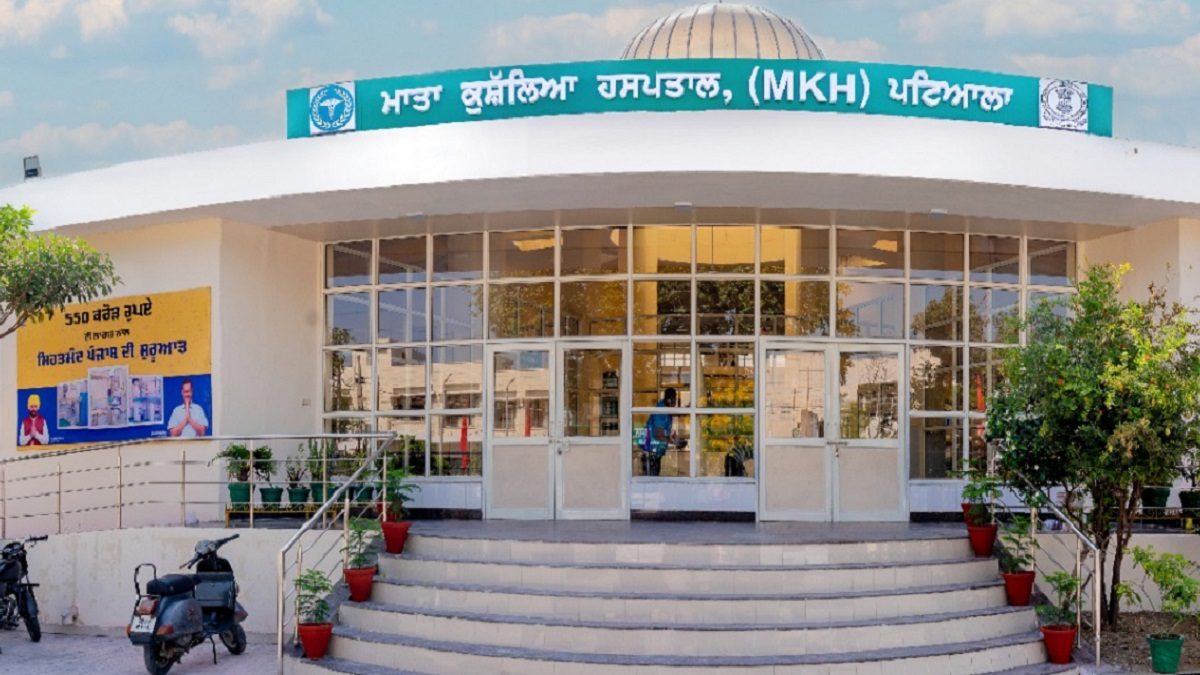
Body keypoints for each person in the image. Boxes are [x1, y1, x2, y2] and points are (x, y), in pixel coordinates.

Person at [642, 387, 680, 476]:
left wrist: (673, 436)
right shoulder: (661, 410)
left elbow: (666, 428)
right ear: (668, 399)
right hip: (651, 451)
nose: (674, 402)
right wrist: (674, 441)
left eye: (675, 399)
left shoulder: (666, 409)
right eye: (673, 399)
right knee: (651, 479)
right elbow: (658, 435)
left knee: (654, 477)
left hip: (655, 451)